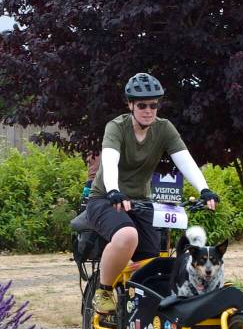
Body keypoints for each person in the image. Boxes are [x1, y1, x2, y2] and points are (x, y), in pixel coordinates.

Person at [86, 73, 219, 314]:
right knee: (127, 236)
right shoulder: (116, 127)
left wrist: (204, 189)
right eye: (142, 105)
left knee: (153, 264)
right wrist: (114, 190)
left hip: (141, 203)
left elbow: (184, 160)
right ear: (130, 105)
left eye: (153, 105)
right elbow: (110, 160)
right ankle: (104, 290)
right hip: (105, 199)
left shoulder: (164, 128)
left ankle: (139, 312)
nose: (149, 110)